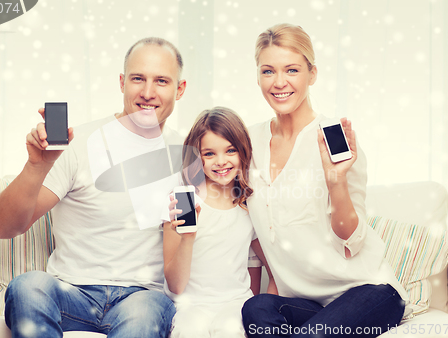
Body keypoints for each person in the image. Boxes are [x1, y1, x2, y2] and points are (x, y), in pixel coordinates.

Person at [0, 37, 187, 338]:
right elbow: (3, 227)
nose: (148, 93)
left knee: (144, 315)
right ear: (122, 82)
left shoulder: (188, 156)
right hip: (70, 292)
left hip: (140, 298)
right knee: (27, 286)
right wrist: (37, 166)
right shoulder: (79, 144)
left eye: (161, 81)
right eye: (138, 78)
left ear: (179, 89)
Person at [241, 23, 408, 338]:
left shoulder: (332, 136)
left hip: (367, 292)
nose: (279, 83)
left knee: (314, 335)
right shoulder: (248, 142)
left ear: (312, 74)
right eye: (268, 71)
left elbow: (352, 242)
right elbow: (257, 232)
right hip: (307, 303)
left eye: (292, 70)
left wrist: (336, 181)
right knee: (256, 309)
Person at [163, 107, 273, 338]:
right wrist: (188, 238)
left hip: (235, 304)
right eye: (209, 154)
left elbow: (265, 262)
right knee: (191, 331)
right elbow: (175, 286)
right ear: (196, 157)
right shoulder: (182, 200)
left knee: (229, 330)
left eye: (230, 150)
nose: (221, 161)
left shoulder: (248, 202)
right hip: (190, 305)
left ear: (243, 151)